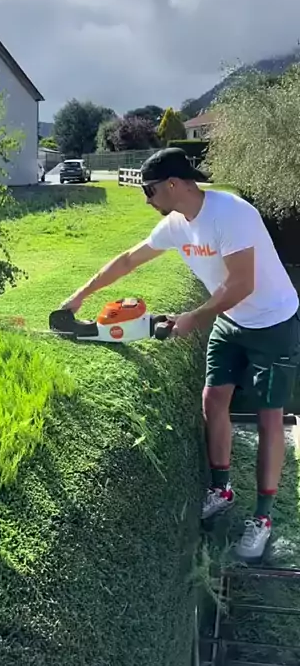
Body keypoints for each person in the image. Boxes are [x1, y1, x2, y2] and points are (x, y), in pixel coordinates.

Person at [60, 147, 300, 562]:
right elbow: (129, 260)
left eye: (149, 191)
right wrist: (81, 296)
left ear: (173, 184)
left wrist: (195, 317)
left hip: (272, 324)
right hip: (231, 322)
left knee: (268, 418)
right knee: (213, 400)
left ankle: (262, 517)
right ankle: (222, 489)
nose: (146, 200)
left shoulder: (231, 214)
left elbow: (242, 283)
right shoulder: (176, 225)